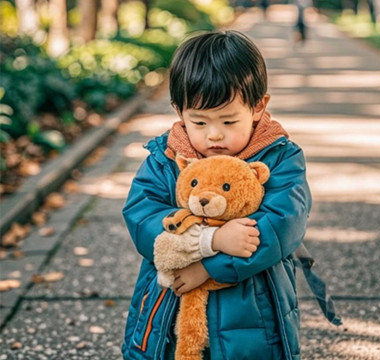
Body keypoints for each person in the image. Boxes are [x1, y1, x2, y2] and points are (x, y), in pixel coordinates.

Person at [121, 30, 312, 360]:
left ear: (257, 106)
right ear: (179, 111)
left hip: (253, 307)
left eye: (228, 120)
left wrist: (210, 269)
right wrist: (210, 240)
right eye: (199, 121)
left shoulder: (278, 156)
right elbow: (142, 215)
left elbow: (283, 222)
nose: (214, 135)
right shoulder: (166, 158)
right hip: (171, 306)